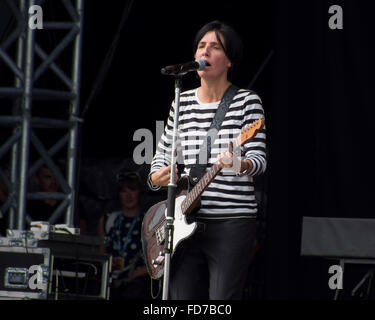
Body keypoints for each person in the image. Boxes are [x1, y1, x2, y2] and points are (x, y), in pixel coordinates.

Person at [147, 20, 267, 300]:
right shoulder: (183, 100)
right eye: (201, 46)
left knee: (222, 298)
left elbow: (259, 161)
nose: (205, 52)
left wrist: (237, 163)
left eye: (215, 47)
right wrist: (156, 176)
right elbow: (163, 152)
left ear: (229, 60)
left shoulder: (247, 101)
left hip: (231, 222)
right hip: (185, 219)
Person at [97, 169, 151, 300]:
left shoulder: (149, 221)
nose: (128, 196)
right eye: (123, 191)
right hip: (110, 282)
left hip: (137, 283)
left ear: (139, 192)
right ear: (118, 194)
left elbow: (158, 260)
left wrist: (136, 273)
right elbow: (101, 253)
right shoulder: (107, 220)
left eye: (132, 190)